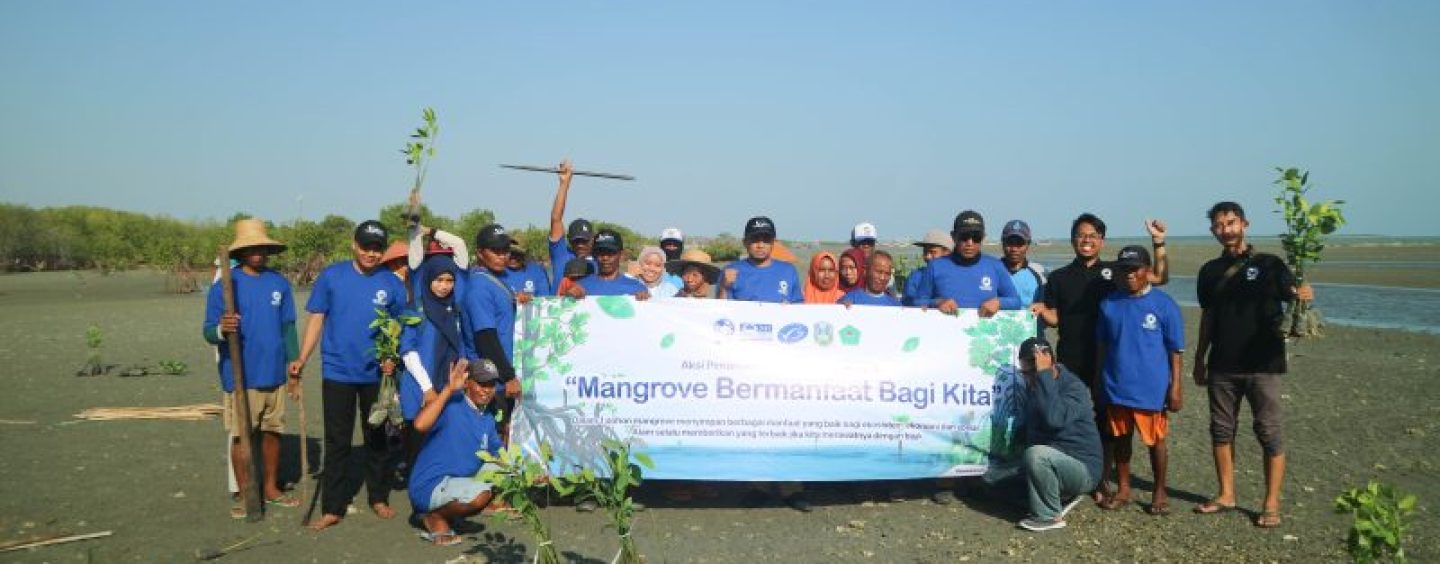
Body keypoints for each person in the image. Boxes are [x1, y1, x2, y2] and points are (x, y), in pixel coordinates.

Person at [1192, 201, 1313, 528]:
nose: (1225, 230)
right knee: (1221, 430)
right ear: (1212, 231)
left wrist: (1303, 294)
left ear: (1244, 223)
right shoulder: (1209, 271)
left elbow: (1293, 297)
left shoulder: (1271, 264)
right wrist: (1199, 359)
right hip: (1222, 364)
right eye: (1218, 225)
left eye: (1230, 223)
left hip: (1265, 362)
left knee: (1269, 431)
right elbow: (1209, 317)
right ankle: (1226, 494)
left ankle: (1271, 502)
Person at [1034, 213, 1170, 501]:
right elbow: (1056, 318)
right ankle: (1069, 473)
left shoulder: (1116, 272)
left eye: (1093, 235)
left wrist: (1158, 243)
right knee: (1068, 417)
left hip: (1110, 360)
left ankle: (1100, 479)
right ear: (1073, 240)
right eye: (1081, 235)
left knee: (1105, 422)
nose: (1087, 240)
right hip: (1070, 359)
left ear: (1101, 241)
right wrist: (1040, 311)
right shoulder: (1058, 278)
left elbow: (1159, 277)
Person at [292, 220, 411, 531]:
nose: (371, 253)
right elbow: (317, 318)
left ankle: (378, 497)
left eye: (377, 248)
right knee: (338, 441)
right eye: (366, 246)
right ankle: (333, 507)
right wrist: (302, 358)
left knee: (378, 438)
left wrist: (392, 359)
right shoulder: (333, 276)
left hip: (377, 375)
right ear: (354, 245)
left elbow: (401, 328)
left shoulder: (392, 284)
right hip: (337, 372)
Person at [203, 218, 300, 519]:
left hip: (275, 373)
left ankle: (270, 488)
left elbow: (288, 328)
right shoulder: (225, 286)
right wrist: (222, 327)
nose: (258, 253)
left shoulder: (279, 283)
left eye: (262, 248)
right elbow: (207, 332)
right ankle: (246, 492)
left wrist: (294, 364)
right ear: (240, 252)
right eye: (251, 248)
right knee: (241, 434)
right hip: (241, 374)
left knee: (273, 432)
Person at [1096, 246, 1184, 515]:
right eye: (1124, 269)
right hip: (1116, 384)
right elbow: (1102, 345)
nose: (1130, 275)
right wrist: (1099, 379)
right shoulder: (1109, 303)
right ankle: (1124, 487)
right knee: (1121, 439)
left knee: (1156, 441)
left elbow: (1175, 351)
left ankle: (1160, 490)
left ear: (1147, 270)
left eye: (1134, 269)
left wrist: (1176, 387)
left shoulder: (1164, 304)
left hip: (1151, 387)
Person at [1006, 337, 1102, 531]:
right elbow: (1033, 431)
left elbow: (1054, 419)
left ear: (1051, 363)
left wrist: (1043, 375)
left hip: (1081, 466)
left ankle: (1049, 516)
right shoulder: (1035, 386)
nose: (1028, 378)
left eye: (1032, 372)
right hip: (1054, 459)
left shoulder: (1074, 388)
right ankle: (1056, 495)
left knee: (1037, 455)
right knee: (991, 480)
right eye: (1024, 373)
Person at [408, 358, 504, 546]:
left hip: (457, 482)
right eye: (482, 384)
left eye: (491, 384)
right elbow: (419, 425)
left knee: (506, 468)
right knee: (480, 496)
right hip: (430, 485)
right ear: (467, 382)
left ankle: (457, 511)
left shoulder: (487, 417)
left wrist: (529, 473)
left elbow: (500, 453)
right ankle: (433, 517)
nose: (487, 390)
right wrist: (449, 389)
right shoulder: (452, 404)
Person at [398, 254, 476, 477]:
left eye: (449, 281)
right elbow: (408, 351)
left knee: (444, 440)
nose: (444, 286)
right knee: (418, 440)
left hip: (449, 384)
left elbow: (461, 345)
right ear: (428, 279)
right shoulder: (416, 310)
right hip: (422, 385)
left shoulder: (455, 309)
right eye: (439, 280)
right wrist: (427, 388)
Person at [465, 224, 525, 428]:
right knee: (495, 439)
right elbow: (485, 337)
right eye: (496, 251)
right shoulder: (479, 286)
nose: (503, 256)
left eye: (506, 250)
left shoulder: (497, 280)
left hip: (502, 375)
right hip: (491, 380)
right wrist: (507, 377)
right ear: (480, 253)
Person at [918, 210, 1021, 318]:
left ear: (983, 238)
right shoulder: (935, 266)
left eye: (976, 237)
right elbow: (917, 302)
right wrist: (937, 302)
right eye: (964, 237)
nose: (970, 243)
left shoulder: (996, 266)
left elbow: (1016, 301)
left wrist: (999, 302)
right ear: (953, 236)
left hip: (982, 332)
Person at [721, 216, 802, 304]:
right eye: (755, 240)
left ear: (774, 243)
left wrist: (790, 308)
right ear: (745, 242)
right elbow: (720, 312)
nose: (760, 245)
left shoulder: (788, 271)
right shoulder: (730, 271)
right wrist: (724, 288)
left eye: (766, 240)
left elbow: (798, 306)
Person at [546, 160, 595, 290]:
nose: (580, 244)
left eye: (584, 241)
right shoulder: (561, 255)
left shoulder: (601, 263)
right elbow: (556, 218)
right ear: (569, 241)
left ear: (592, 240)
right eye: (576, 241)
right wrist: (564, 184)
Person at [566, 230, 651, 300]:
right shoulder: (580, 287)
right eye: (600, 253)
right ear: (594, 255)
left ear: (621, 255)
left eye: (611, 253)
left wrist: (645, 301)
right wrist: (570, 297)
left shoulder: (637, 288)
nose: (605, 257)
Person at [902, 229, 950, 307]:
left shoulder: (956, 274)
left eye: (933, 252)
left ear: (947, 253)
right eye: (925, 252)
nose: (928, 256)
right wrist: (935, 302)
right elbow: (907, 301)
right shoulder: (915, 276)